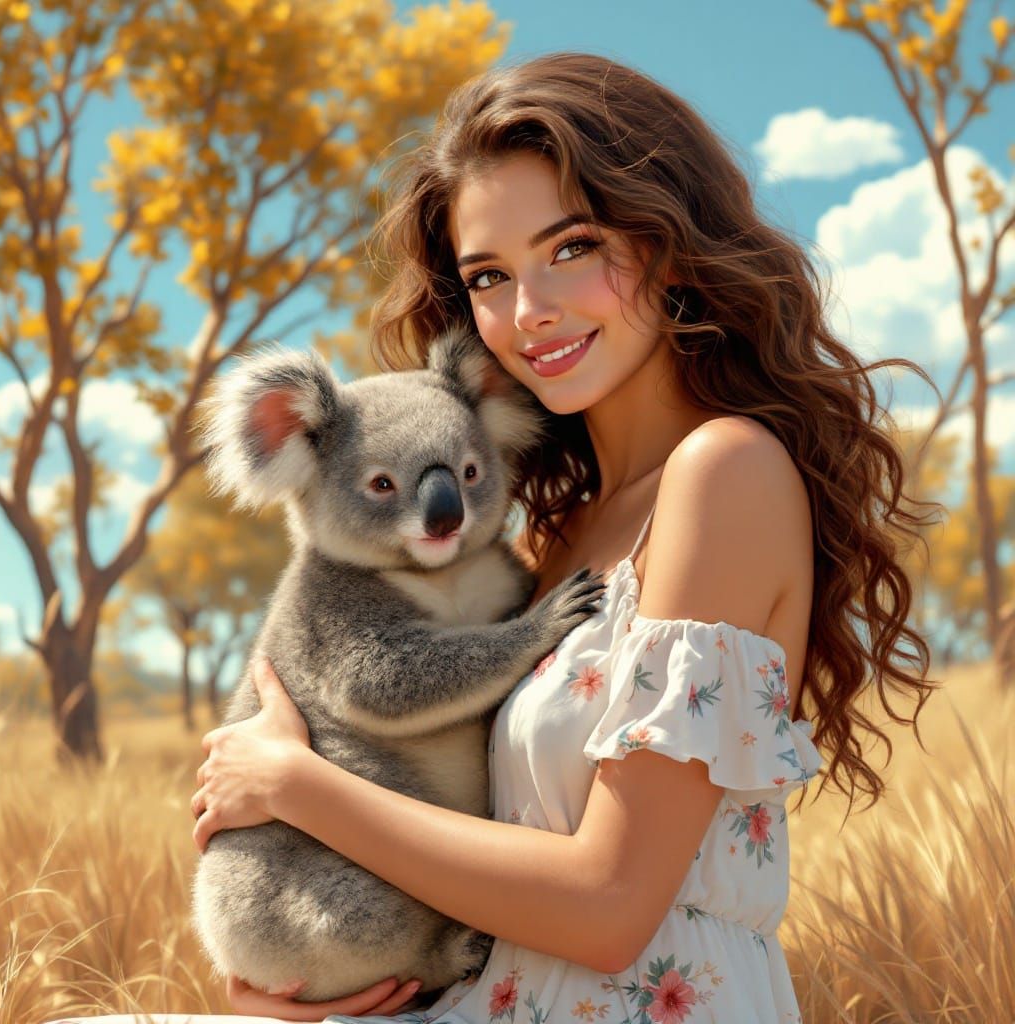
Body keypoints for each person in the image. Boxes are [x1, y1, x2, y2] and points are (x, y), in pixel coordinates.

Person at [51, 52, 934, 1024]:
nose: (528, 312)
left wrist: (292, 784)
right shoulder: (549, 534)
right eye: (488, 275)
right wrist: (291, 981)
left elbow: (607, 907)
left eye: (572, 247)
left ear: (671, 243)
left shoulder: (723, 471)